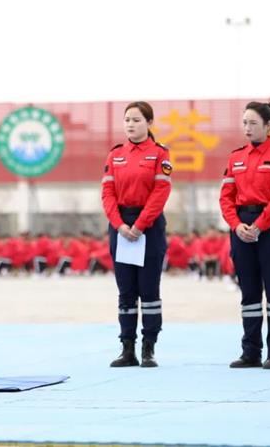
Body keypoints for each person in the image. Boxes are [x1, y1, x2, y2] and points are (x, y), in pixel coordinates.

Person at [220, 101, 270, 370]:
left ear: (268, 126)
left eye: (253, 123)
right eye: (245, 123)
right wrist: (236, 225)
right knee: (249, 293)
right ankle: (251, 352)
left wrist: (260, 225)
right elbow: (226, 197)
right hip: (242, 228)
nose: (247, 128)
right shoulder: (236, 157)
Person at [101, 101, 172, 368]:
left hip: (148, 227)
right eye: (127, 120)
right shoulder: (115, 155)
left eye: (137, 120)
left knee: (149, 289)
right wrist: (119, 224)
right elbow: (107, 194)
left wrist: (141, 225)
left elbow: (160, 192)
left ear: (149, 123)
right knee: (126, 291)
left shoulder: (159, 154)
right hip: (121, 226)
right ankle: (127, 348)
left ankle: (148, 347)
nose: (130, 124)